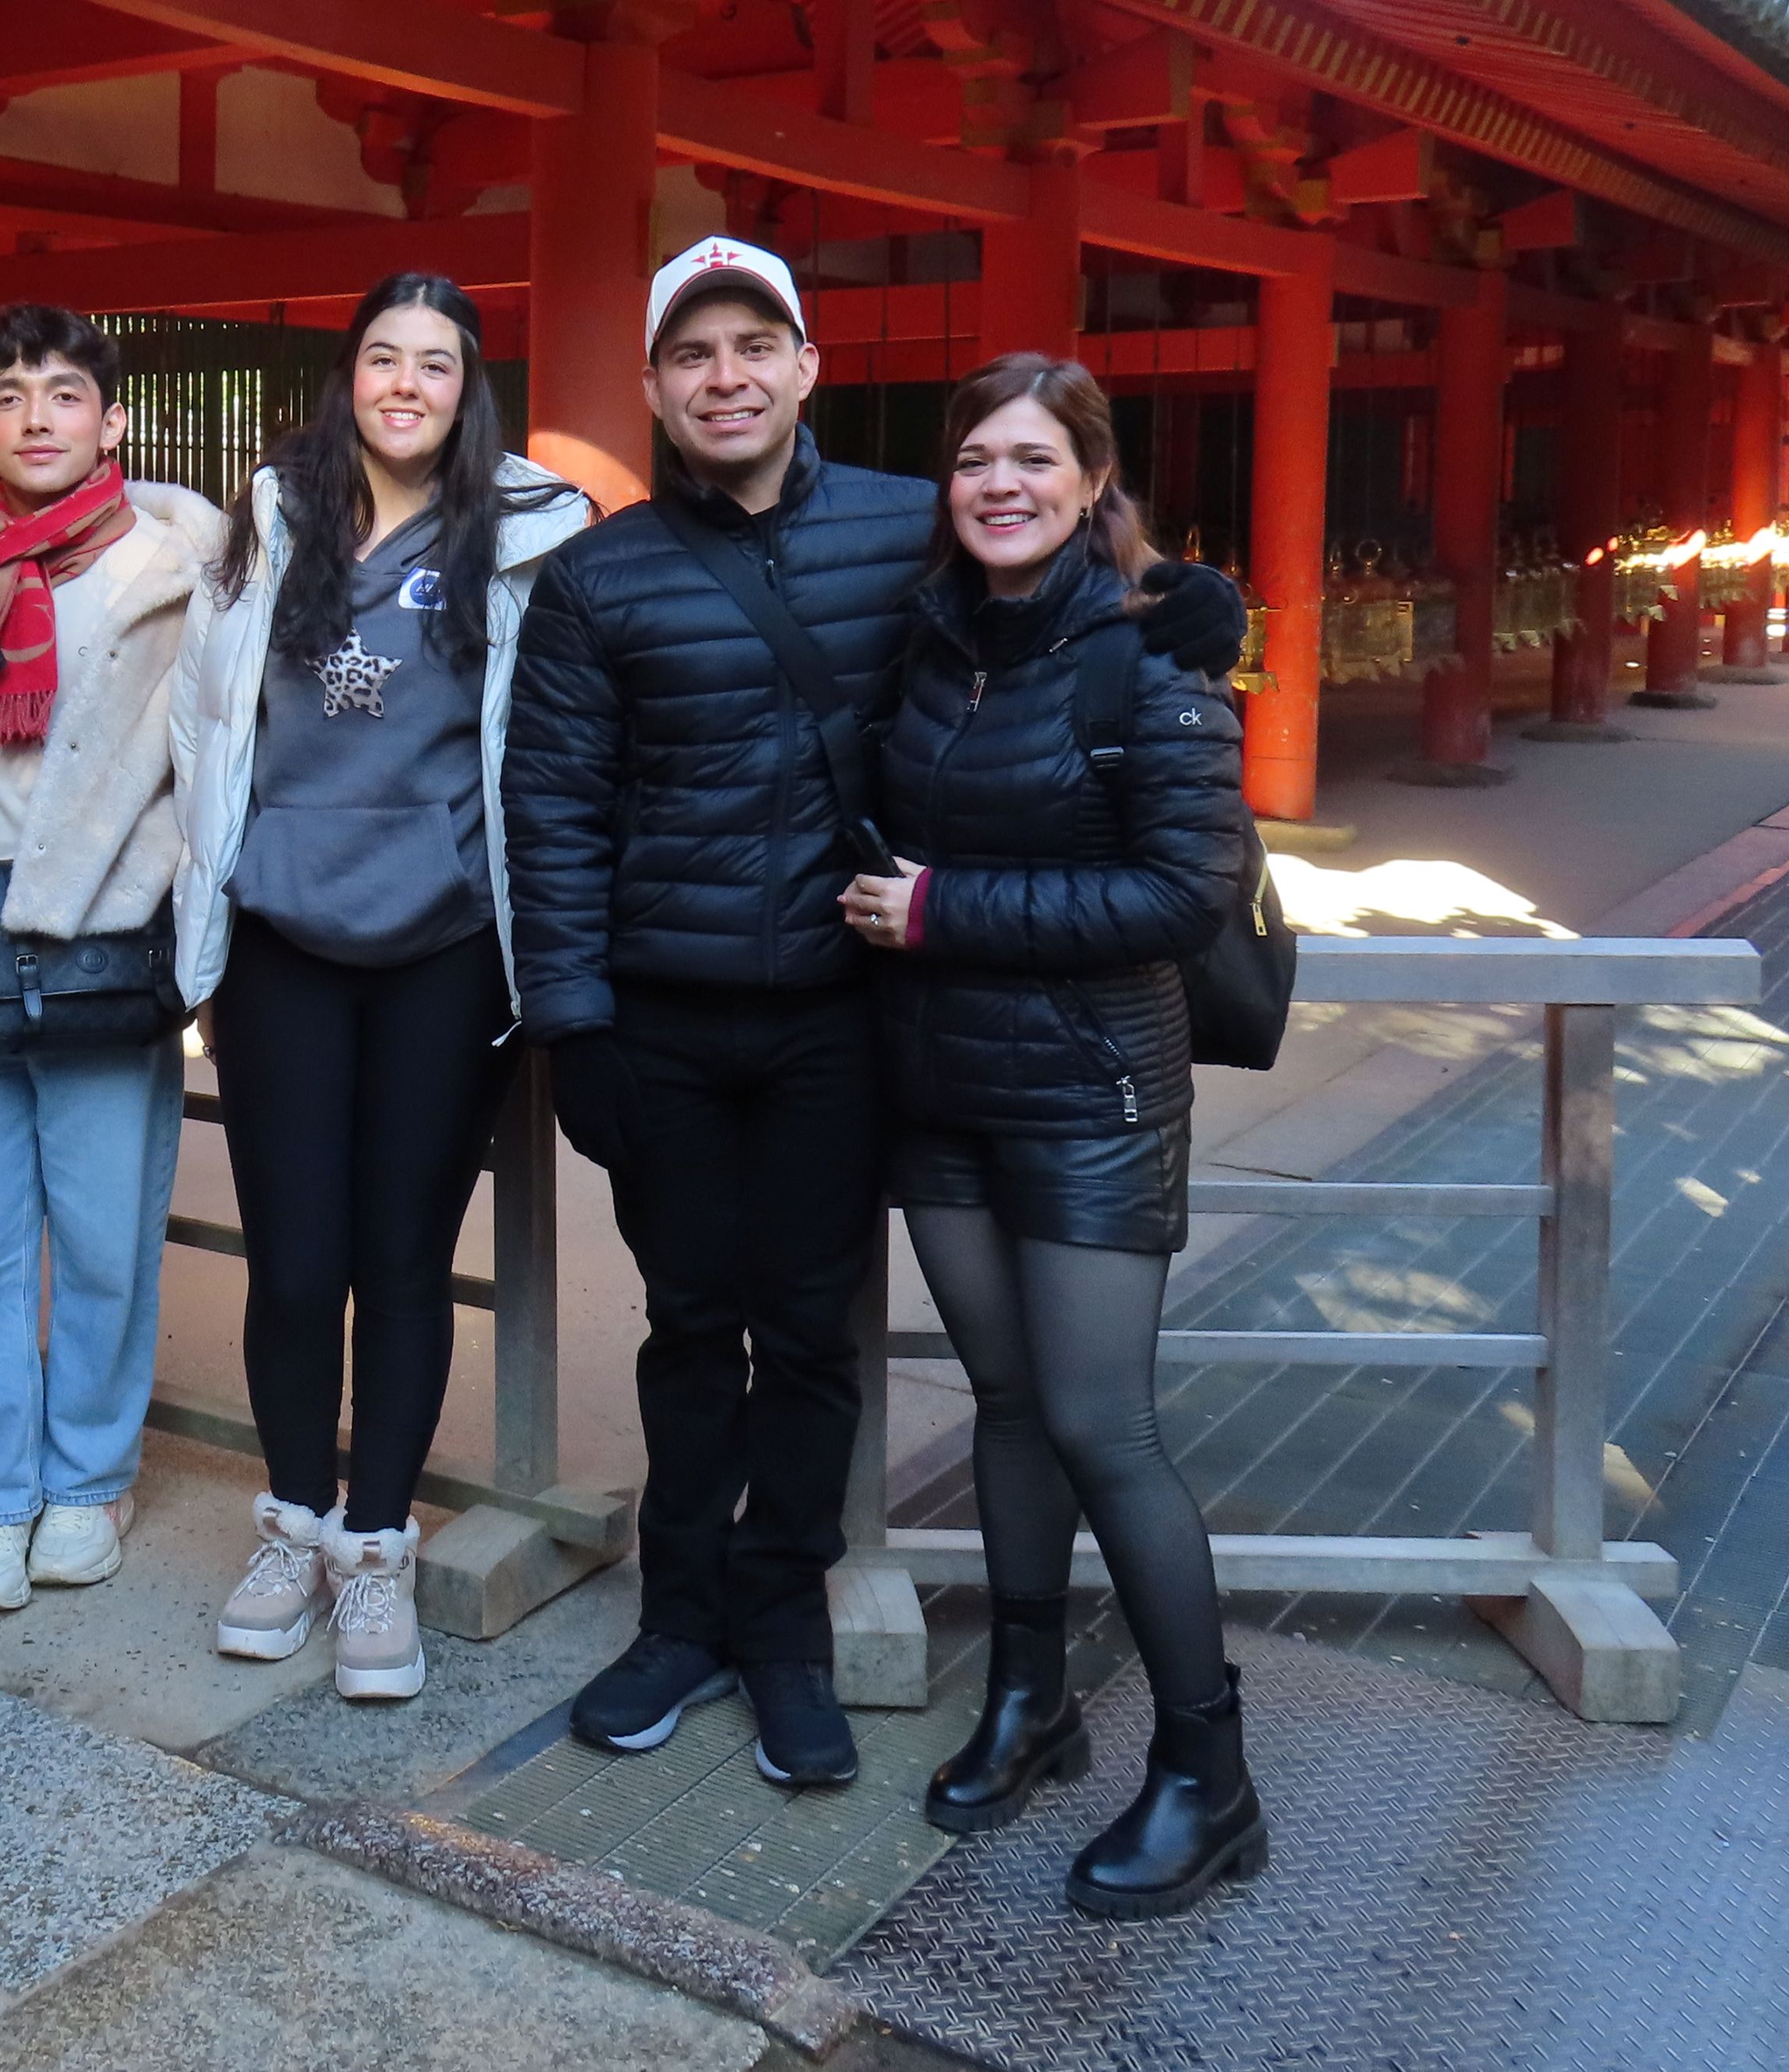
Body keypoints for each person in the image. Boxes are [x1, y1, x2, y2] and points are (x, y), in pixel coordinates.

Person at [502, 239, 1243, 1789]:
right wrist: (573, 1019)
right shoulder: (598, 576)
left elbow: (1065, 574)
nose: (726, 377)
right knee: (691, 1326)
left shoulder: (910, 528)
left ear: (807, 368)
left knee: (812, 1338)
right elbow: (552, 806)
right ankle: (680, 1613)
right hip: (666, 1018)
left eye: (755, 345)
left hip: (851, 1020)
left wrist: (1191, 610)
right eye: (693, 353)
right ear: (653, 384)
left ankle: (784, 1629)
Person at [841, 351, 1263, 1919]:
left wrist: (942, 908)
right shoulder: (935, 642)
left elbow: (1180, 895)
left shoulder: (1153, 657)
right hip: (942, 1087)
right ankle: (1033, 1702)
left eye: (1032, 459)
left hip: (1093, 1090)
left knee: (1104, 1424)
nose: (999, 485)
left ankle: (1210, 1773)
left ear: (1094, 479)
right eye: (972, 461)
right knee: (1009, 1403)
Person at [170, 277, 589, 1700]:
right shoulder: (270, 518)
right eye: (381, 360)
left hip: (445, 945)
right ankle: (289, 1525)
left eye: (436, 365)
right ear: (346, 378)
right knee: (295, 1259)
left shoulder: (533, 534)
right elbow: (203, 718)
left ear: (471, 389)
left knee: (403, 1260)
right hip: (282, 935)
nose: (405, 385)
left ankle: (375, 1546)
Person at [0, 303, 224, 1613]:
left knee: (101, 1233)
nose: (39, 416)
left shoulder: (175, 562)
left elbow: (216, 754)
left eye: (67, 393)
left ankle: (87, 1479)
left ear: (113, 422)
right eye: (11, 396)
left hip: (101, 934)